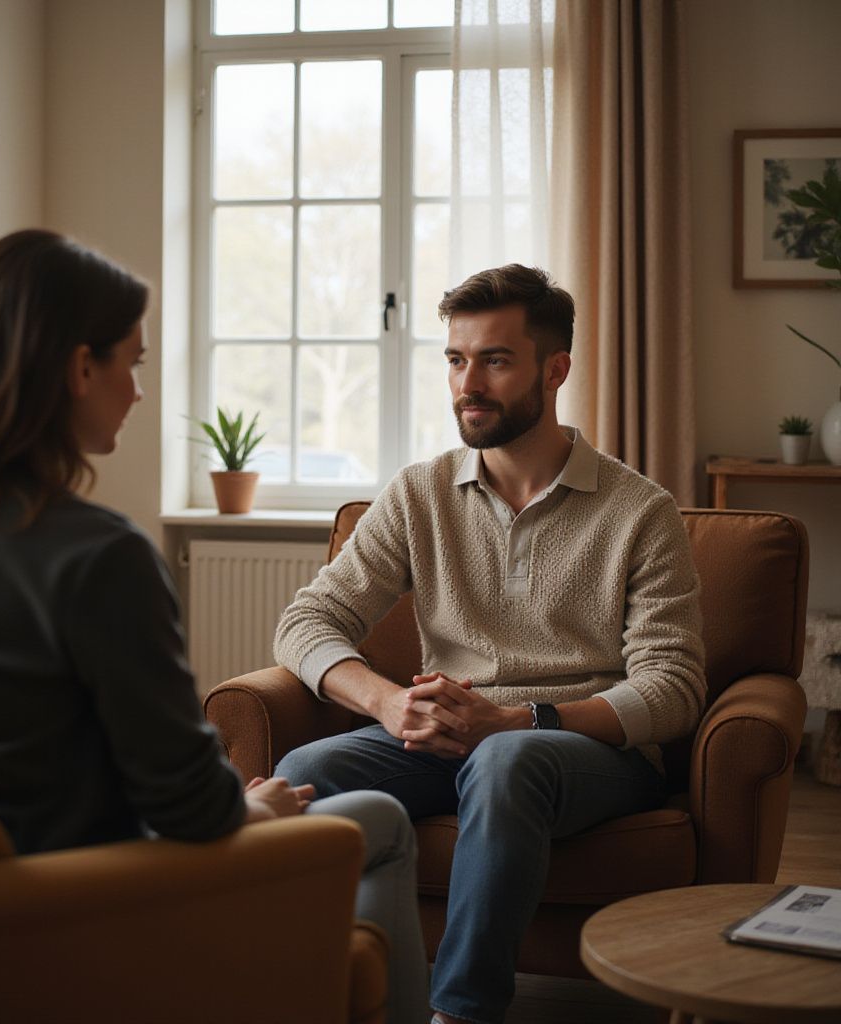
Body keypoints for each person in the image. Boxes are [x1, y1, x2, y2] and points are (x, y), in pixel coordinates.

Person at [0, 229, 428, 1024]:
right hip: (91, 902)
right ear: (82, 367)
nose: (139, 391)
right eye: (133, 363)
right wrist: (253, 810)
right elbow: (192, 809)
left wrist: (222, 800)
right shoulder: (99, 556)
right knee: (380, 822)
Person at [273, 264, 707, 1024]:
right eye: (455, 359)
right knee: (308, 768)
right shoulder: (419, 493)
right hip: (444, 743)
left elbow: (672, 687)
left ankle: (463, 1014)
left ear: (556, 369)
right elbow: (304, 623)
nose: (467, 383)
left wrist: (518, 721)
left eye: (495, 361)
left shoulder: (641, 511)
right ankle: (319, 992)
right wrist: (391, 703)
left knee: (508, 759)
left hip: (584, 754)